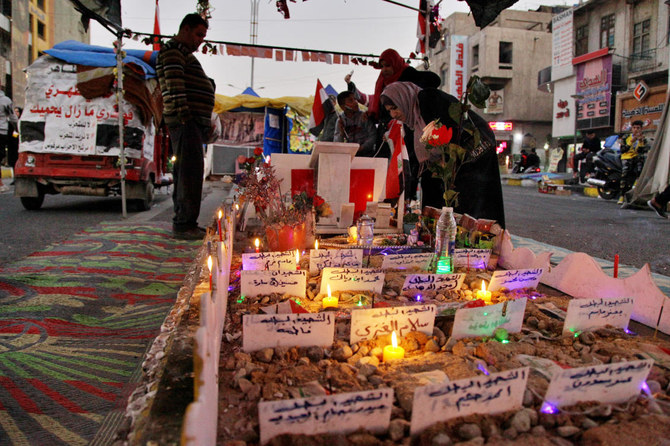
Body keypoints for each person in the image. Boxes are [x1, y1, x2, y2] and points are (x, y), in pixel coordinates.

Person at [379, 82, 505, 227]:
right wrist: (402, 199)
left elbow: (452, 129)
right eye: (389, 111)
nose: (393, 114)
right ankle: (437, 232)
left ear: (404, 98)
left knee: (472, 203)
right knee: (434, 185)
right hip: (452, 158)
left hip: (473, 149)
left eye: (395, 108)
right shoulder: (412, 124)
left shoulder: (428, 98)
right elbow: (416, 166)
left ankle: (482, 239)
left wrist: (448, 160)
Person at [156, 13, 215, 240]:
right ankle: (184, 224)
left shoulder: (181, 53)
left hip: (190, 122)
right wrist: (185, 116)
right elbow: (174, 85)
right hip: (185, 121)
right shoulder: (173, 51)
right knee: (189, 172)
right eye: (199, 34)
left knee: (189, 172)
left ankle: (187, 221)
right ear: (186, 29)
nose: (200, 40)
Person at [333, 91, 376, 156]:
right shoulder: (340, 121)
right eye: (351, 101)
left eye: (355, 99)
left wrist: (362, 148)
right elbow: (337, 144)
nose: (355, 102)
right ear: (343, 107)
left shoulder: (364, 116)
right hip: (350, 156)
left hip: (368, 155)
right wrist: (341, 133)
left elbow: (373, 136)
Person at [618, 120, 648, 205]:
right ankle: (622, 195)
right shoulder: (626, 137)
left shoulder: (643, 138)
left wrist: (641, 142)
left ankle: (635, 194)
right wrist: (632, 141)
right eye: (634, 128)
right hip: (627, 158)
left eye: (638, 128)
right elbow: (623, 150)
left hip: (637, 158)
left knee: (639, 174)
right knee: (625, 175)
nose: (636, 130)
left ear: (641, 129)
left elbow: (642, 151)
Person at [0, 85, 18, 167]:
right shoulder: (6, 101)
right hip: (1, 132)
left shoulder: (5, 100)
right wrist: (17, 128)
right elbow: (13, 117)